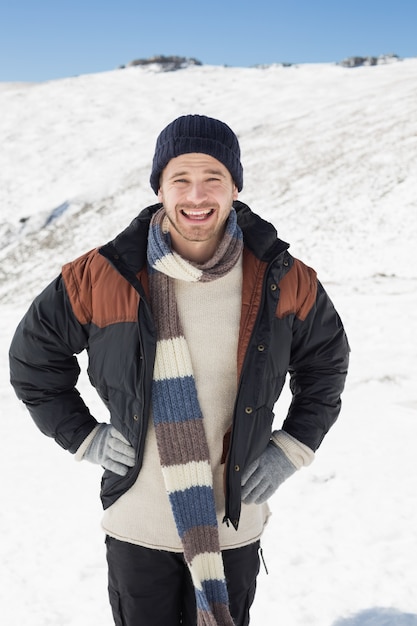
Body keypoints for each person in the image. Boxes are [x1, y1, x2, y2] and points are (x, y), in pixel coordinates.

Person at [9, 114, 349, 626]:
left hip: (231, 523)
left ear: (235, 186)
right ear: (160, 188)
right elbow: (33, 359)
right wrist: (83, 436)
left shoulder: (281, 276)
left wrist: (294, 447)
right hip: (138, 524)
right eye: (181, 180)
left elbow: (326, 363)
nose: (197, 195)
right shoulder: (104, 274)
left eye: (213, 178)